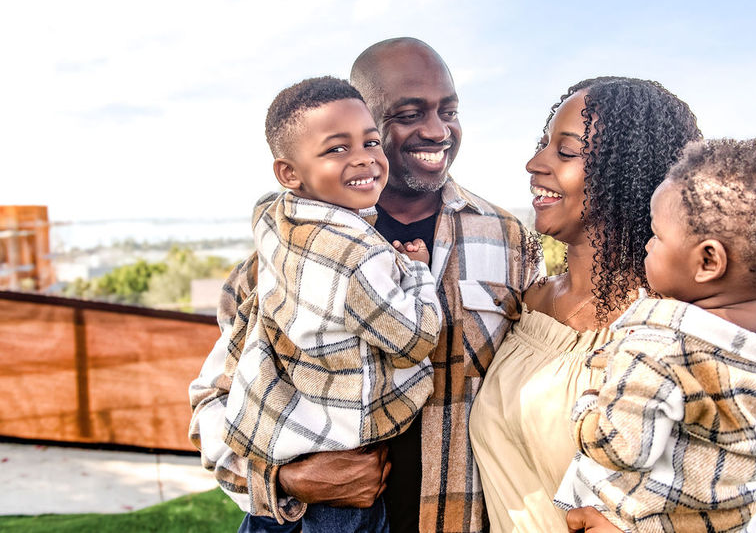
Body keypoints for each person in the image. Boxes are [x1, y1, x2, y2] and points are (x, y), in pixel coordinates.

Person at [188, 37, 544, 533]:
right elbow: (215, 397)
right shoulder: (290, 255)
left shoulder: (509, 242)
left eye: (449, 110)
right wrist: (285, 479)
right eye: (408, 113)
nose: (437, 130)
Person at [553, 138, 756, 532]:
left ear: (708, 260)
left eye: (656, 236)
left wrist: (588, 410)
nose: (647, 245)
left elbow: (623, 448)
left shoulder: (659, 345)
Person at [469, 76, 702, 532]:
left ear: (628, 171)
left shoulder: (677, 328)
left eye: (566, 151)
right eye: (543, 144)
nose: (534, 163)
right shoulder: (528, 305)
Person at [219, 76, 444, 532]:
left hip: (280, 452)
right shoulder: (358, 258)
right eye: (337, 149)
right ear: (289, 172)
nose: (363, 157)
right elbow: (415, 339)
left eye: (370, 141)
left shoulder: (273, 219)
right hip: (336, 486)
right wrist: (418, 273)